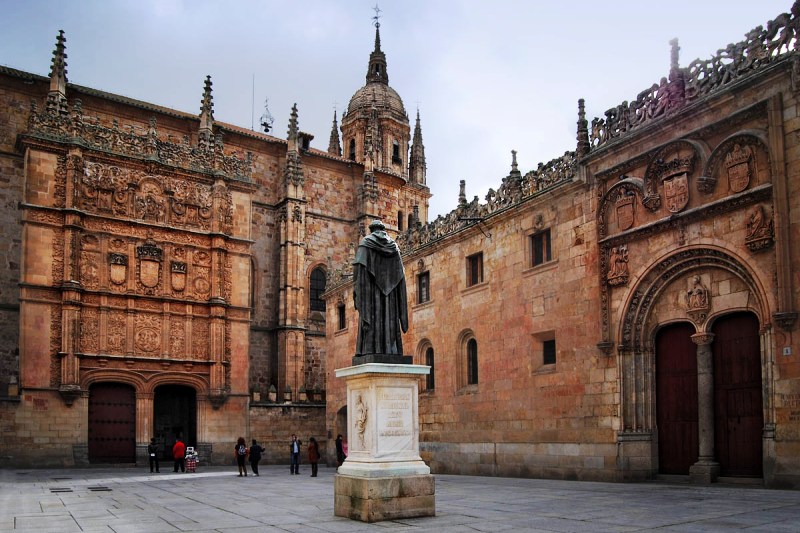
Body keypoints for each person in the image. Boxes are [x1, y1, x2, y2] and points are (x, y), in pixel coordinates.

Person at [353, 220, 409, 356]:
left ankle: (370, 349)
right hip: (391, 297)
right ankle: (391, 349)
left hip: (371, 294)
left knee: (373, 318)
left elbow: (359, 271)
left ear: (372, 230)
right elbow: (401, 274)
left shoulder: (365, 244)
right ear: (383, 230)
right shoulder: (394, 247)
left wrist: (357, 291)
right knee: (388, 317)